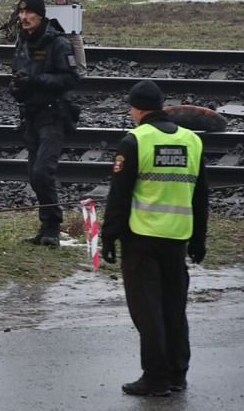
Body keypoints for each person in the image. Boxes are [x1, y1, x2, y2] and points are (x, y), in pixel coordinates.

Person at [100, 80, 209, 397]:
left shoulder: (135, 141)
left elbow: (119, 196)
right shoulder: (192, 141)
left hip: (141, 238)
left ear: (138, 109)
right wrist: (199, 240)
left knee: (147, 311)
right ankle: (177, 374)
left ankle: (155, 377)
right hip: (178, 238)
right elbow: (201, 197)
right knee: (175, 307)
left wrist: (109, 238)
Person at [11, 0, 80, 247]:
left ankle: (53, 225)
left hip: (54, 114)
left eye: (29, 13)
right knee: (33, 173)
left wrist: (36, 81)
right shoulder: (22, 40)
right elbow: (18, 73)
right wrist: (16, 88)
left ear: (41, 15)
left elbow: (71, 78)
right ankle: (45, 226)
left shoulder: (58, 43)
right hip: (31, 114)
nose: (24, 17)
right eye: (21, 13)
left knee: (42, 172)